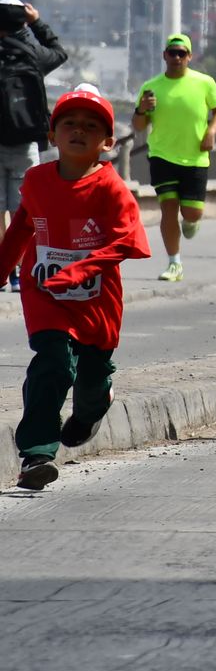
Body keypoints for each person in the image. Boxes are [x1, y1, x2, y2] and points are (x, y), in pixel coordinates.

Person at [1, 85, 150, 490]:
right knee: (53, 364)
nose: (79, 130)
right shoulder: (36, 179)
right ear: (52, 135)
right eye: (69, 123)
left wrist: (78, 272)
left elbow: (129, 241)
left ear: (108, 142)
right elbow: (24, 225)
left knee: (91, 376)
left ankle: (93, 407)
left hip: (97, 300)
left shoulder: (110, 187)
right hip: (45, 293)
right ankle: (37, 454)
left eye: (91, 126)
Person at [132, 33, 216, 283]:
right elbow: (139, 126)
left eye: (181, 53)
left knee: (192, 213)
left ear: (189, 56)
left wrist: (211, 131)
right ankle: (174, 263)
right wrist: (142, 109)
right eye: (172, 53)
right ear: (164, 55)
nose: (176, 57)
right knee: (168, 208)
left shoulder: (204, 83)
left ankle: (191, 222)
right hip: (162, 156)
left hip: (195, 158)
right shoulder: (151, 87)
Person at [0, 0, 69, 290]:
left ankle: (1, 271)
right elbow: (59, 52)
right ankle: (19, 273)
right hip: (26, 140)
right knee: (23, 212)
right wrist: (37, 22)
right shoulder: (32, 54)